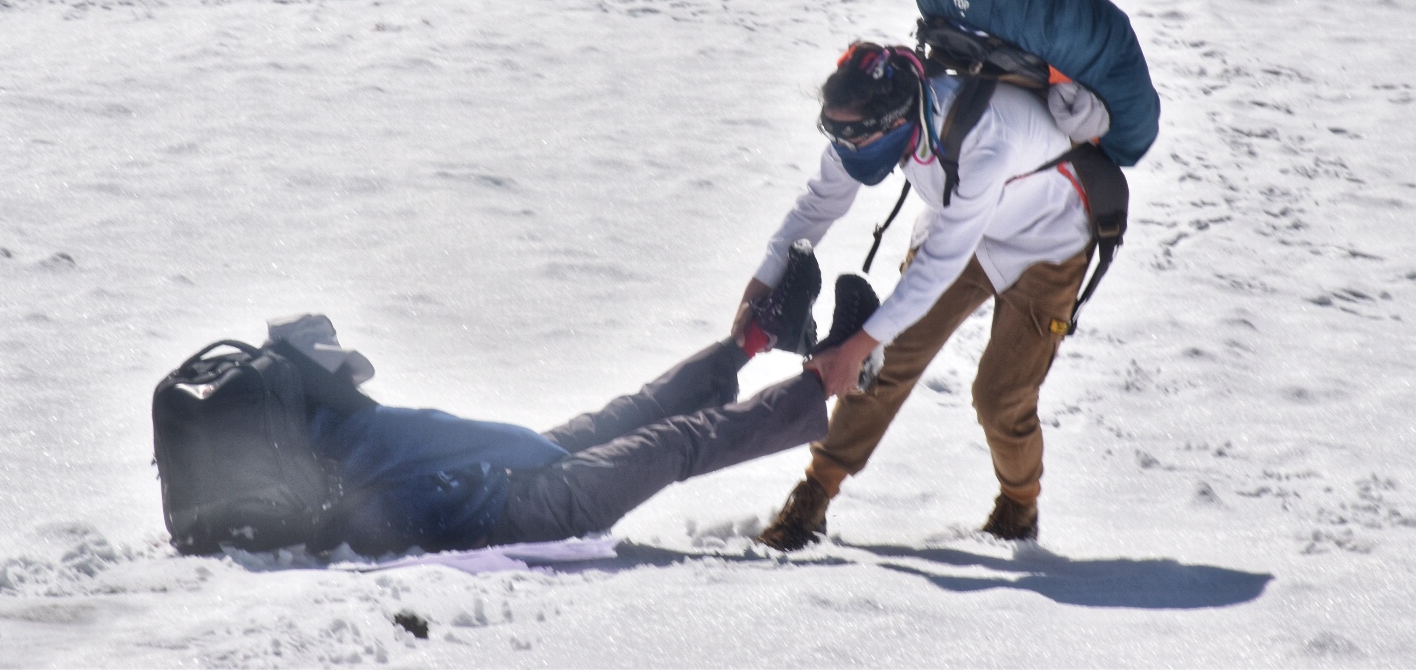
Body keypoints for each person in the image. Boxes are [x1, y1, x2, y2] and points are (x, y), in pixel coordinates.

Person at [737, 42, 1096, 550]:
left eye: (853, 134)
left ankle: (1019, 507)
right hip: (962, 222)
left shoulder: (985, 136)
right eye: (832, 131)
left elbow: (938, 266)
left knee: (1000, 397)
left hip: (1049, 241)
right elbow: (819, 205)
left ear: (896, 117)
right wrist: (760, 286)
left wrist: (858, 345)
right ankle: (814, 494)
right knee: (888, 360)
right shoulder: (862, 130)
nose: (844, 146)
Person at [301, 243, 868, 557]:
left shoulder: (315, 451)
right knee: (673, 442)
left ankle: (761, 335)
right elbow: (455, 436)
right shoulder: (354, 434)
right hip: (522, 513)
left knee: (633, 415)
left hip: (496, 485)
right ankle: (831, 374)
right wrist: (552, 456)